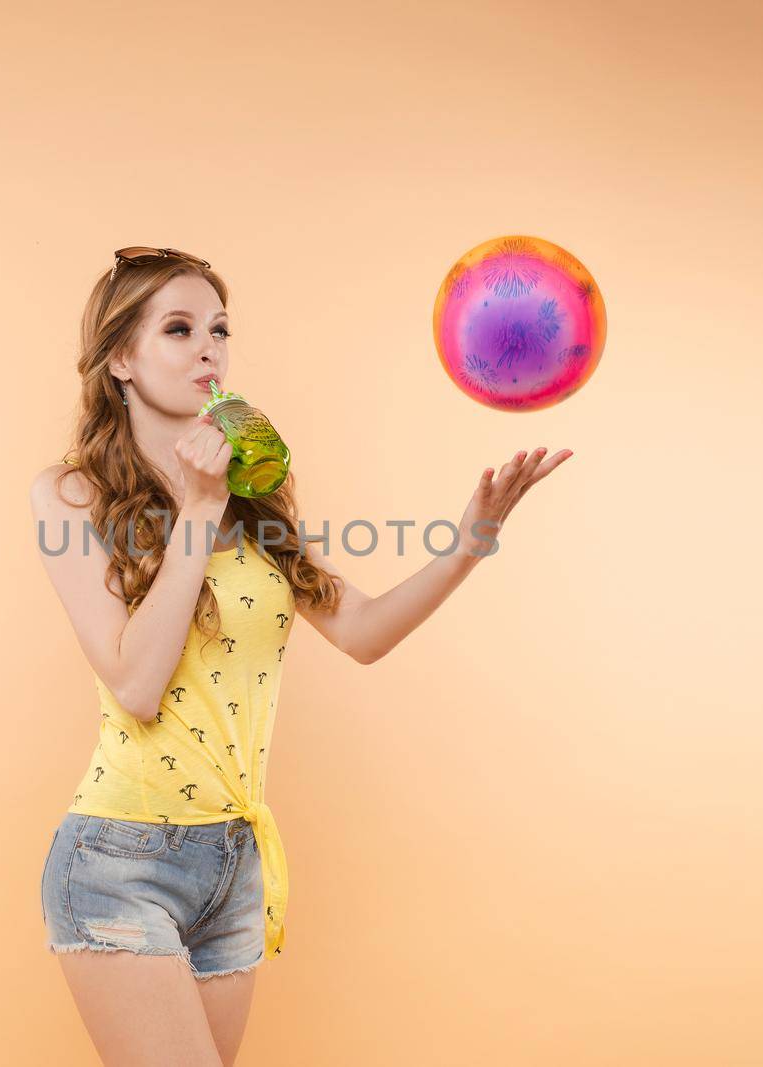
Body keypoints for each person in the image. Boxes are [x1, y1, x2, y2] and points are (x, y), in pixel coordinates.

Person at [29, 246, 573, 1066]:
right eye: (178, 329)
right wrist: (197, 509)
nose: (209, 346)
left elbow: (362, 631)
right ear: (120, 360)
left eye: (218, 328)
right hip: (121, 859)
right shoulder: (71, 495)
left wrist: (470, 543)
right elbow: (136, 682)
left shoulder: (254, 501)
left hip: (234, 867)